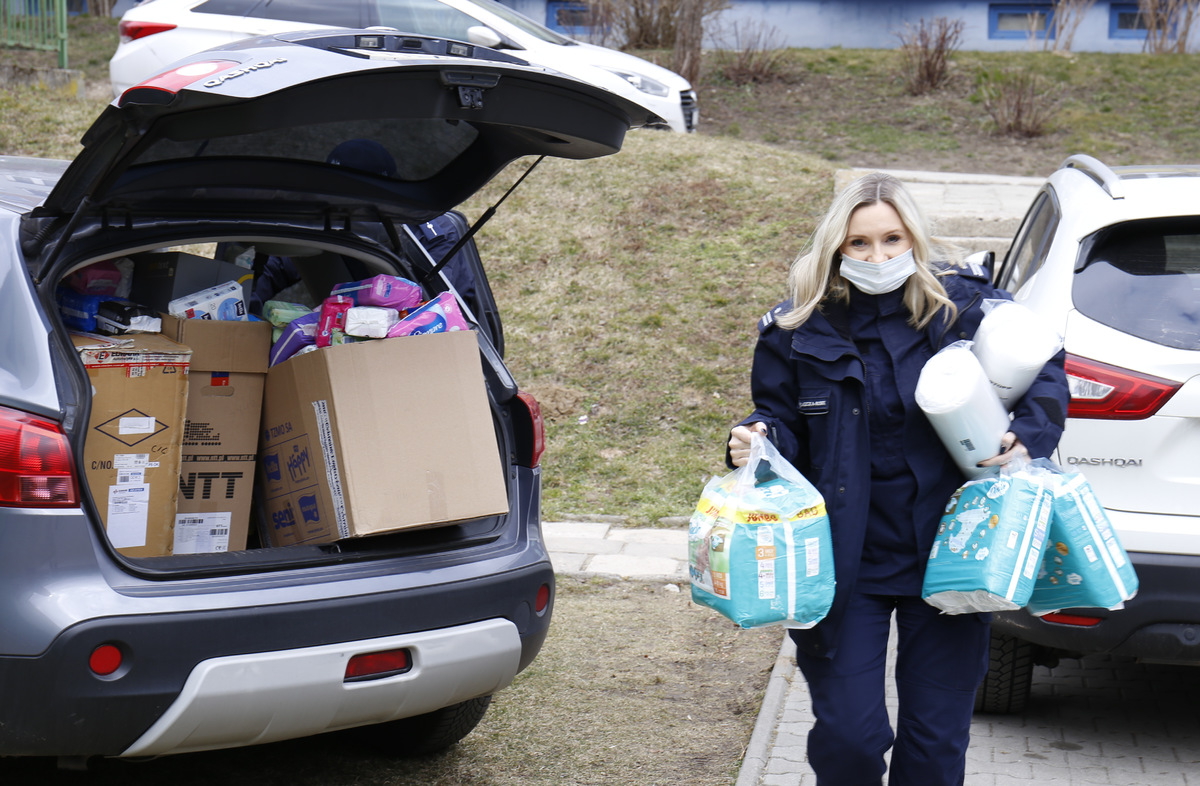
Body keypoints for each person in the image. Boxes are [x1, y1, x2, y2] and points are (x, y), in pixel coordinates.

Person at [726, 172, 1069, 785]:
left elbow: (1042, 359)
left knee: (936, 744)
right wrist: (755, 438)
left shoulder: (963, 308)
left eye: (892, 239)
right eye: (859, 244)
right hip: (842, 562)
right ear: (836, 248)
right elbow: (776, 417)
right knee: (849, 739)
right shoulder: (797, 329)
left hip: (952, 554)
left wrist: (1030, 432)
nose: (878, 256)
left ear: (914, 237)